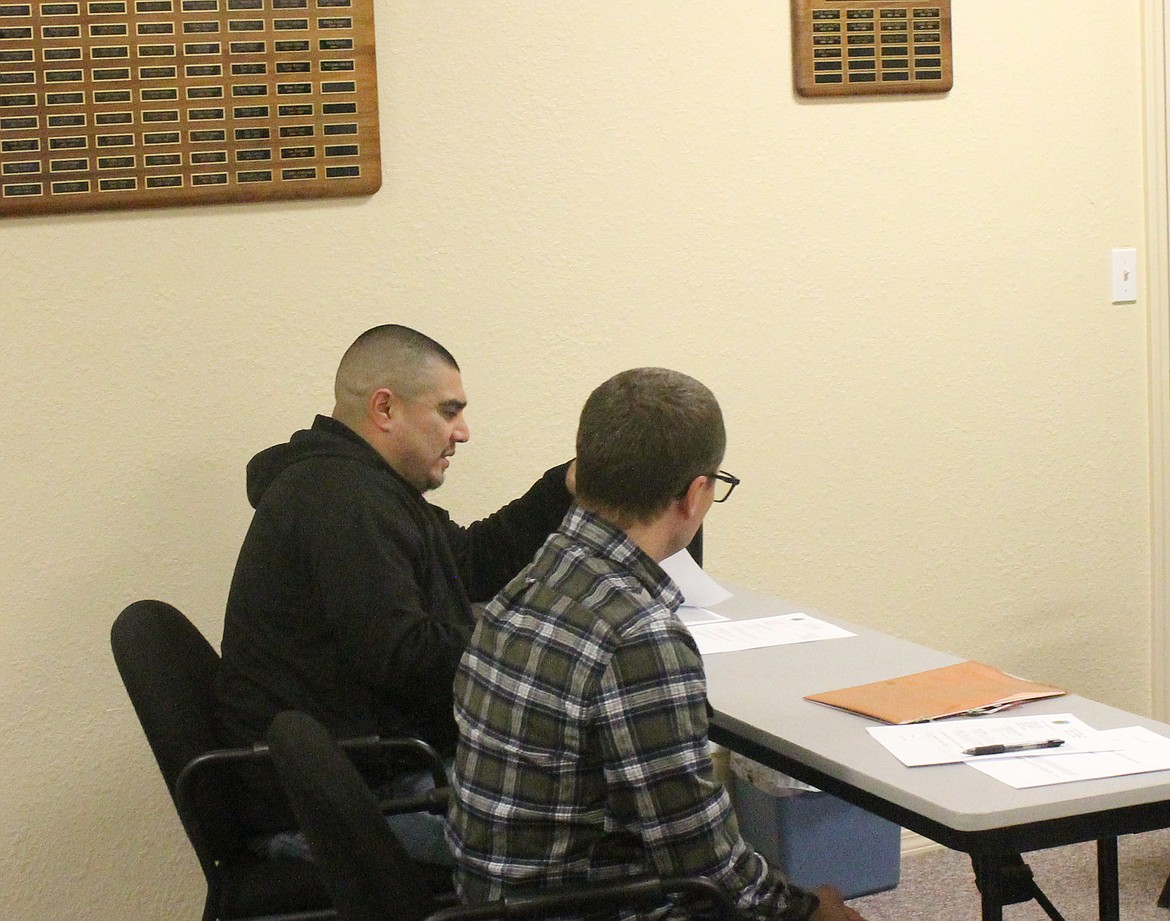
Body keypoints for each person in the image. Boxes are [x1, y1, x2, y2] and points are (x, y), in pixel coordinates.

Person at [446, 367, 867, 921]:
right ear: (696, 495)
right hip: (580, 905)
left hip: (498, 897)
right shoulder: (637, 636)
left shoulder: (529, 585)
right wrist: (809, 909)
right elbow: (707, 870)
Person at [215, 324, 575, 863]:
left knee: (579, 799)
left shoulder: (362, 487)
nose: (464, 432)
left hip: (364, 776)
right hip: (345, 808)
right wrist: (550, 639)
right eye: (449, 412)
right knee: (594, 834)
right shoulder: (342, 501)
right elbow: (406, 658)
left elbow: (468, 564)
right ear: (385, 409)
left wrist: (565, 487)